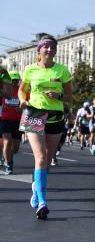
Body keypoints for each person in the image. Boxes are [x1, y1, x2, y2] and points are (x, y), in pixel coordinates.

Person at [18, 34, 72, 220]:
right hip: (34, 113)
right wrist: (22, 100)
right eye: (46, 46)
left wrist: (58, 97)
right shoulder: (30, 69)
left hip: (55, 116)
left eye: (53, 47)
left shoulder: (62, 70)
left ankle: (36, 189)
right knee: (40, 158)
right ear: (39, 50)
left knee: (48, 160)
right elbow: (22, 89)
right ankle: (42, 202)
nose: (50, 50)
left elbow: (69, 96)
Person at [1, 70, 19, 174]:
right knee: (7, 142)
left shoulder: (22, 91)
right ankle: (8, 164)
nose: (14, 83)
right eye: (12, 80)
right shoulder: (5, 91)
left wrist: (22, 107)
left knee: (15, 148)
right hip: (5, 119)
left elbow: (28, 102)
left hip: (18, 120)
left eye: (16, 80)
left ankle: (7, 157)